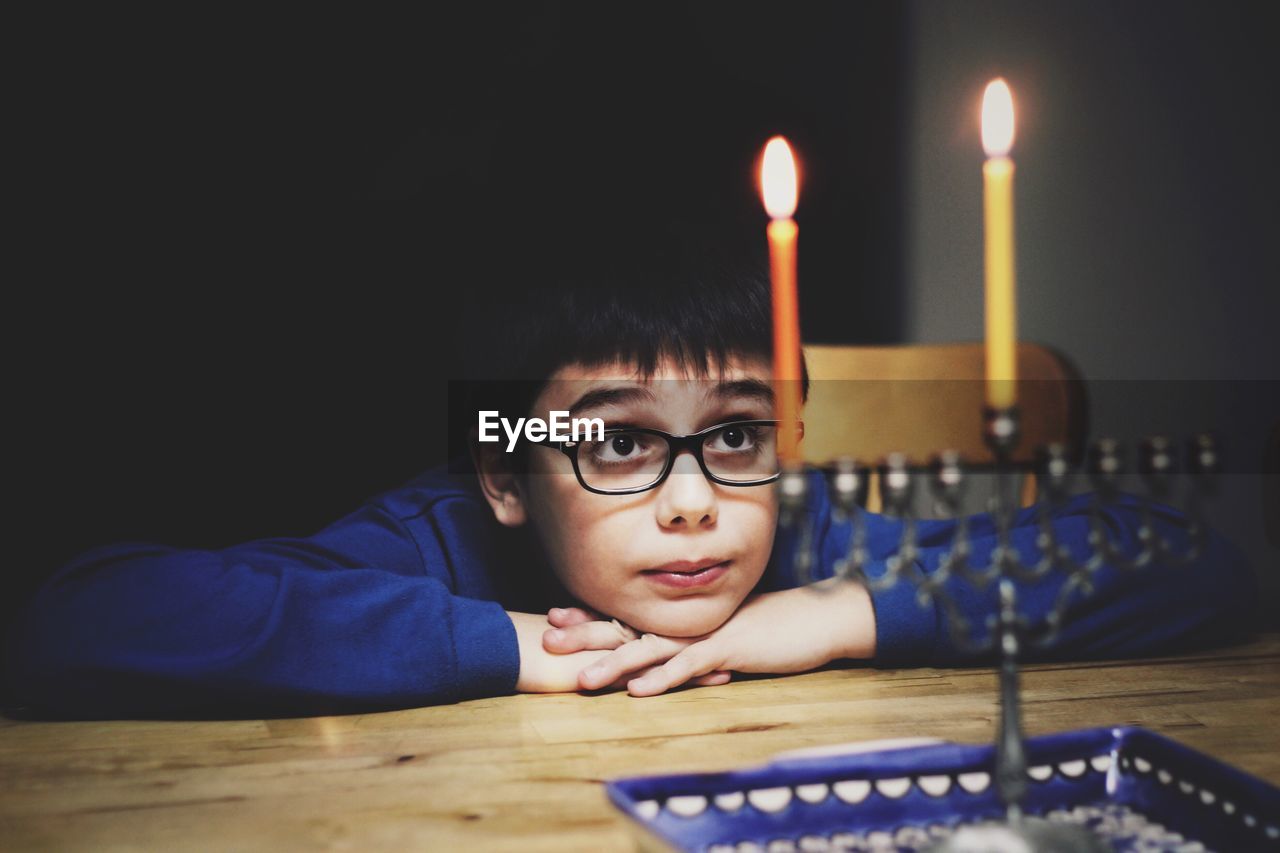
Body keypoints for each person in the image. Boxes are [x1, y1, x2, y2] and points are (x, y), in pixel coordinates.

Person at [4, 228, 1257, 718]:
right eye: (612, 442)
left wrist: (837, 612)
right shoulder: (444, 538)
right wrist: (509, 645)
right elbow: (74, 615)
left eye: (736, 434)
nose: (693, 497)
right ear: (507, 471)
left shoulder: (809, 535)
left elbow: (1192, 558)